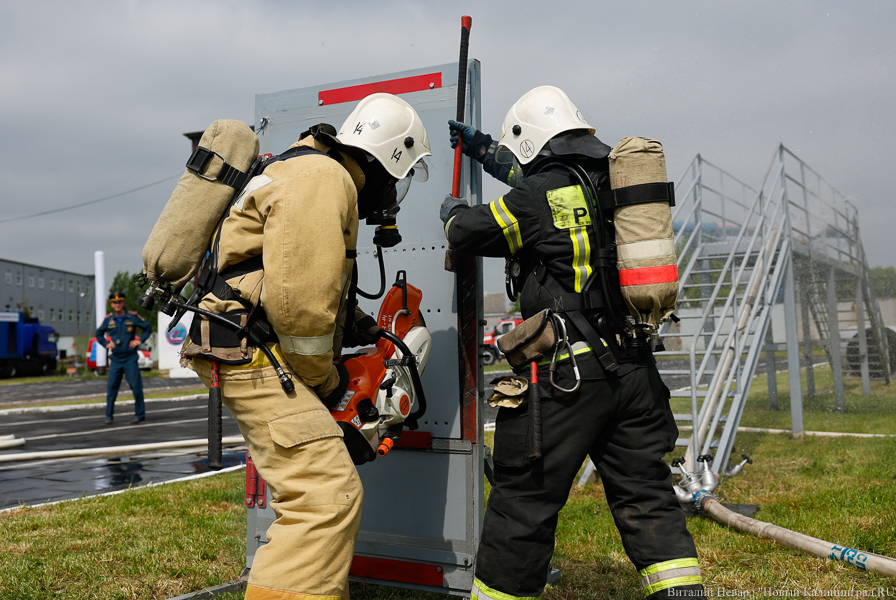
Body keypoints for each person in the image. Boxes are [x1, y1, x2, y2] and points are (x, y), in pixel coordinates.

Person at [442, 86, 706, 600]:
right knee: (647, 492)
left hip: (567, 378)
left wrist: (453, 212)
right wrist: (484, 150)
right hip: (633, 370)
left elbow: (471, 231)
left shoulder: (538, 194)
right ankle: (682, 592)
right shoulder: (614, 179)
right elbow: (539, 179)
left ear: (531, 141)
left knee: (524, 500)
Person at [182, 93, 430, 600]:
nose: (392, 194)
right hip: (259, 352)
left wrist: (362, 326)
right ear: (386, 158)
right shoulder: (324, 178)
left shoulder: (299, 168)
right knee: (323, 499)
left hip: (244, 345)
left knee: (314, 494)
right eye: (400, 175)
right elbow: (299, 305)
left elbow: (285, 273)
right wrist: (328, 381)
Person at [96, 291, 152, 425]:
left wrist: (140, 341)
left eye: (119, 301)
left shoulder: (132, 316)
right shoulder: (108, 319)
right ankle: (109, 416)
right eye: (114, 302)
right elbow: (98, 333)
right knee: (112, 388)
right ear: (111, 304)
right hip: (115, 358)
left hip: (130, 358)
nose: (117, 304)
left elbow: (147, 328)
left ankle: (140, 414)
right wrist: (106, 344)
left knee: (136, 387)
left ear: (123, 302)